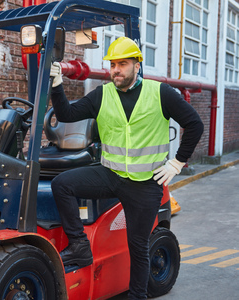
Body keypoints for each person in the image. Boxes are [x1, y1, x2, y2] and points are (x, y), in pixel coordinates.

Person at [49, 36, 203, 300]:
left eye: (122, 64)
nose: (115, 70)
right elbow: (66, 115)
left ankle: (137, 296)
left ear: (137, 65)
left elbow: (195, 124)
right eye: (112, 65)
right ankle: (79, 246)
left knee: (138, 246)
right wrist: (57, 83)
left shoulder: (160, 93)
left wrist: (177, 163)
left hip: (146, 184)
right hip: (111, 175)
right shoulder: (102, 94)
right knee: (61, 184)